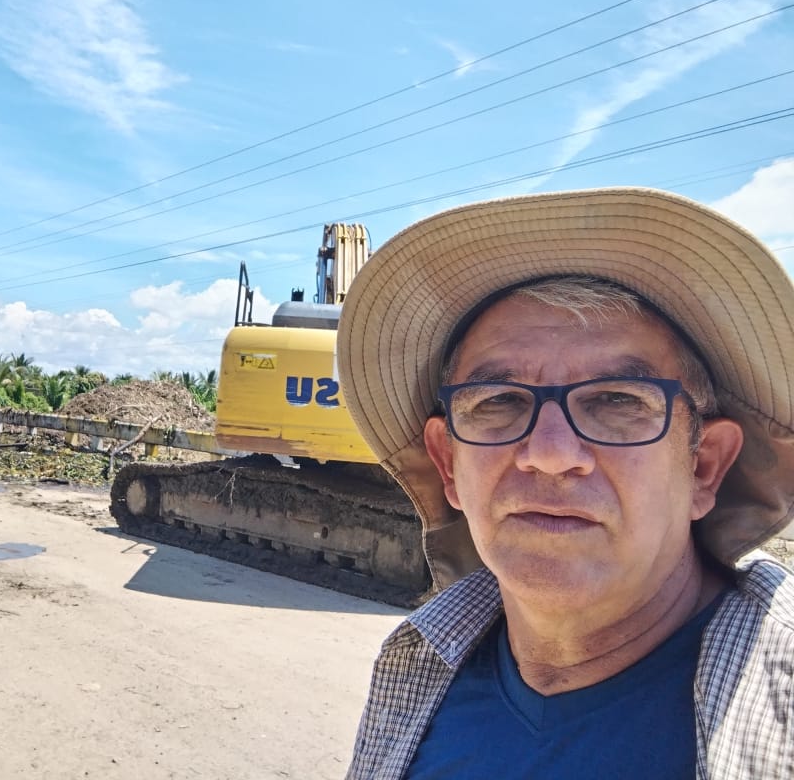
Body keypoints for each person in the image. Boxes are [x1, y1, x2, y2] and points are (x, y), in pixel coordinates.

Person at [335, 187, 794, 778]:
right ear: (449, 464)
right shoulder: (420, 667)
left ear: (704, 465)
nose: (550, 455)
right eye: (498, 401)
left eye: (617, 400)